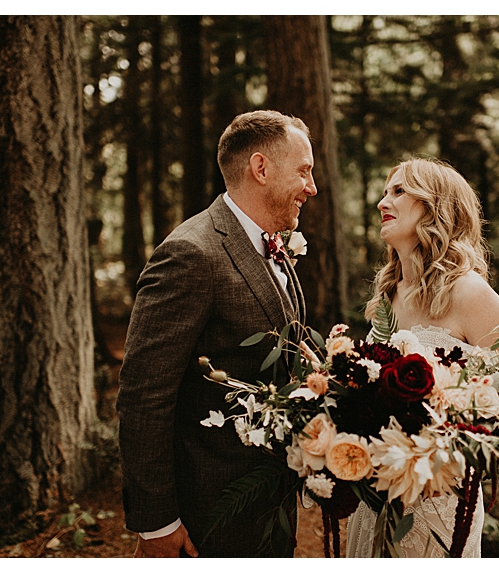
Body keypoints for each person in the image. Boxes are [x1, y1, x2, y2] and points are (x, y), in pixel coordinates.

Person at [119, 110, 317, 558]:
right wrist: (156, 524)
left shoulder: (270, 243)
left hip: (268, 503)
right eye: (303, 171)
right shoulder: (192, 253)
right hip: (209, 511)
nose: (312, 187)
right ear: (261, 168)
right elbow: (143, 394)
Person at [337, 158, 499, 557]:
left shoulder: (471, 293)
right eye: (386, 191)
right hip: (378, 495)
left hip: (439, 500)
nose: (384, 201)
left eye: (399, 191)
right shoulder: (390, 295)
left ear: (435, 207)